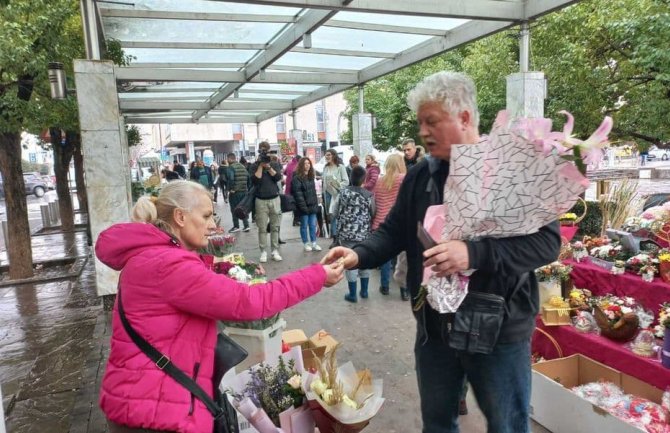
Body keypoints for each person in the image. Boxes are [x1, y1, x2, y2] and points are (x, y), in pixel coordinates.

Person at [322, 71, 560, 433]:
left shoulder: (511, 171)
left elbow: (546, 243)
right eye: (420, 123)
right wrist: (358, 254)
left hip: (499, 330)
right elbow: (393, 232)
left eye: (431, 122)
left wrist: (473, 253)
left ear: (464, 117)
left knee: (507, 424)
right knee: (437, 423)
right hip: (435, 329)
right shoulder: (421, 176)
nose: (423, 132)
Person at [95, 180, 344, 433]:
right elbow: (250, 303)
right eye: (205, 216)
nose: (213, 225)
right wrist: (317, 276)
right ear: (180, 217)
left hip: (146, 400)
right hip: (156, 413)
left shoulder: (153, 256)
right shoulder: (168, 265)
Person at [335, 166, 375, 303]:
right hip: (364, 234)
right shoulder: (368, 195)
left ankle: (352, 294)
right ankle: (364, 291)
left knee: (350, 262)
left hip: (346, 234)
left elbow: (335, 211)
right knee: (363, 260)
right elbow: (373, 212)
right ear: (364, 180)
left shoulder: (343, 193)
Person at [372, 154, 407, 299]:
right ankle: (404, 290)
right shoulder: (404, 178)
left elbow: (375, 203)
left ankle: (385, 286)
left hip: (382, 223)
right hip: (401, 222)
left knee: (385, 258)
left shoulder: (380, 181)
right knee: (402, 259)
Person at [250, 141, 283, 263]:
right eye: (262, 150)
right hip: (260, 200)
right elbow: (255, 180)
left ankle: (275, 250)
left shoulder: (274, 163)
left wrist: (268, 167)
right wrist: (260, 165)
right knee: (262, 228)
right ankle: (263, 251)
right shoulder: (254, 165)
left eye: (266, 150)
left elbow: (278, 178)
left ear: (268, 151)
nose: (264, 153)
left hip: (274, 198)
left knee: (275, 227)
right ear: (259, 151)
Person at [291, 157, 322, 253]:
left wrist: (316, 205)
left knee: (313, 225)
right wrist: (304, 207)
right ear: (301, 165)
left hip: (312, 205)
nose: (307, 165)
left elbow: (313, 192)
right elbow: (298, 194)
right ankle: (306, 243)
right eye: (305, 163)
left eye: (309, 163)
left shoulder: (311, 176)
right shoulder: (297, 178)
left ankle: (314, 242)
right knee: (304, 225)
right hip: (303, 207)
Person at [321, 148, 349, 246]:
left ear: (333, 156)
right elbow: (323, 182)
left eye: (329, 155)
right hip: (327, 195)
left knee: (338, 216)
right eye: (326, 155)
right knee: (331, 216)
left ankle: (338, 238)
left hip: (337, 194)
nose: (327, 157)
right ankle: (334, 238)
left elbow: (346, 181)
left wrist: (337, 184)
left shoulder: (340, 167)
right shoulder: (325, 168)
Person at [226, 153, 250, 233]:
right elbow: (248, 177)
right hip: (244, 191)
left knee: (234, 209)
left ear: (230, 159)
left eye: (227, 159)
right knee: (243, 208)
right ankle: (246, 225)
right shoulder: (242, 166)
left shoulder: (231, 167)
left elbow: (231, 178)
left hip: (235, 192)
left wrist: (231, 188)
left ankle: (236, 226)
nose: (227, 161)